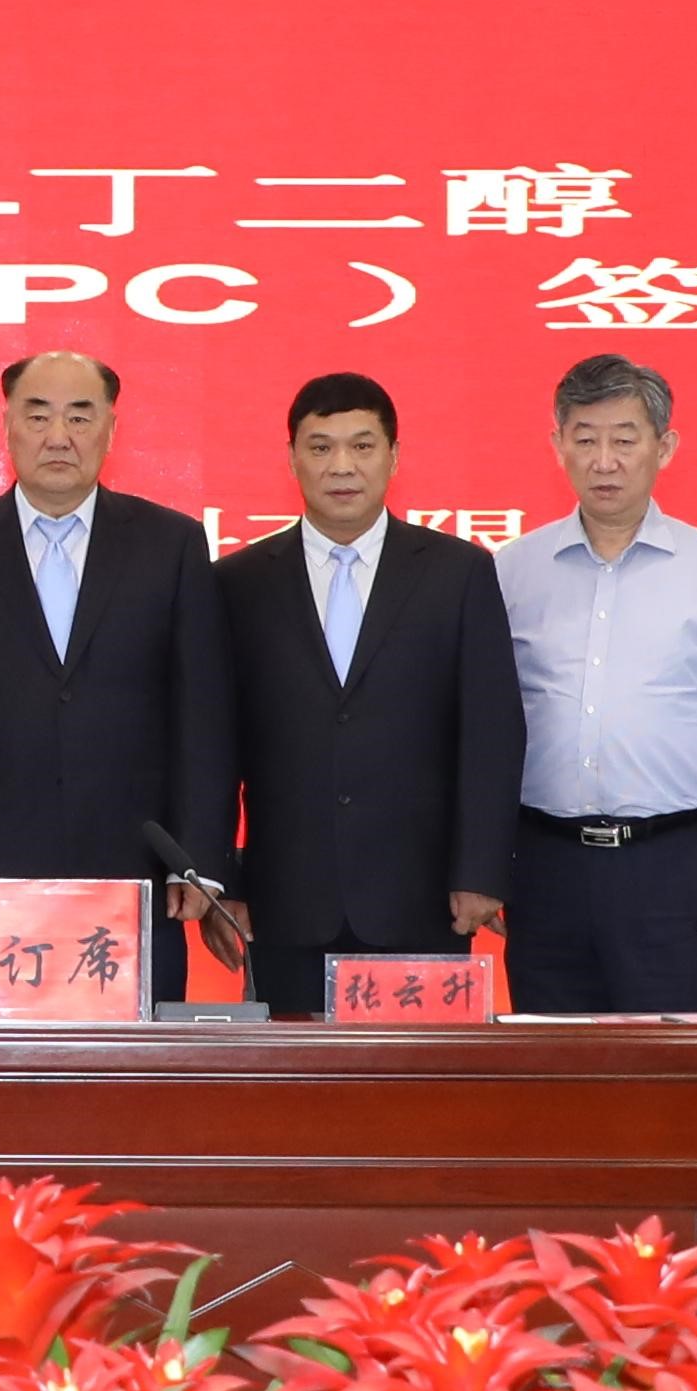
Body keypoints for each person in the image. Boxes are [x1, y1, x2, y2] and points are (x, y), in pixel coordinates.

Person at [0, 347, 233, 980]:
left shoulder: (171, 545)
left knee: (140, 1045)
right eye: (37, 414)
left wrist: (199, 861)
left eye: (79, 416)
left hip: (135, 872)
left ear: (110, 429)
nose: (58, 436)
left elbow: (202, 717)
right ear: (7, 426)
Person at [214, 371, 517, 1018]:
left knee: (422, 1078)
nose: (342, 466)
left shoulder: (458, 573)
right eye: (320, 447)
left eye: (362, 445)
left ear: (394, 456)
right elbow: (214, 742)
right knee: (293, 1079)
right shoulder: (238, 583)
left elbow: (490, 732)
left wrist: (480, 871)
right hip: (284, 900)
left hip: (424, 898)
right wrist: (223, 876)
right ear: (292, 457)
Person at [498, 356, 697, 1014]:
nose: (605, 461)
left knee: (672, 1062)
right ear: (558, 445)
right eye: (585, 439)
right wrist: (482, 865)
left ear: (664, 447)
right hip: (542, 861)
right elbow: (484, 725)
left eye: (624, 440)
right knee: (548, 1060)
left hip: (667, 863)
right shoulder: (513, 570)